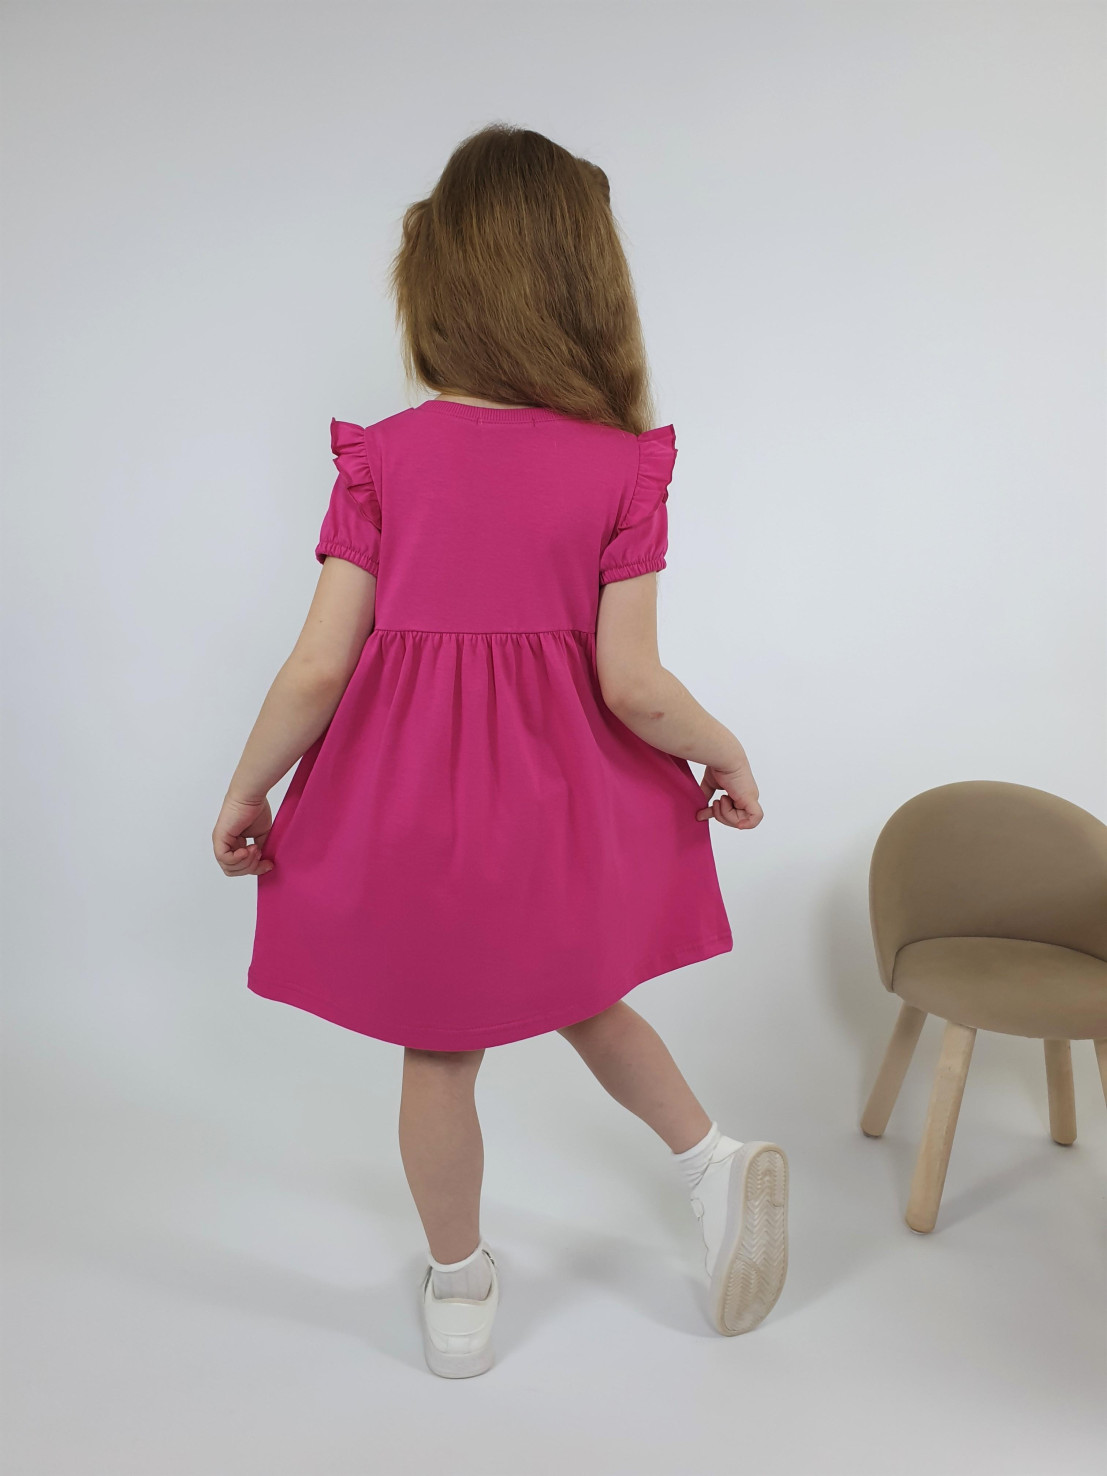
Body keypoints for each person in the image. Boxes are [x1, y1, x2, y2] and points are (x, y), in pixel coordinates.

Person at [212, 123, 788, 1380]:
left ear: (440, 282)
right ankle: (711, 1163)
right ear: (583, 285)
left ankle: (461, 1288)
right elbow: (633, 685)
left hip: (418, 815)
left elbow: (316, 668)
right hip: (562, 811)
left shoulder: (382, 460)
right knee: (585, 995)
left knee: (439, 1050)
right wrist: (724, 749)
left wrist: (250, 789)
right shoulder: (624, 469)